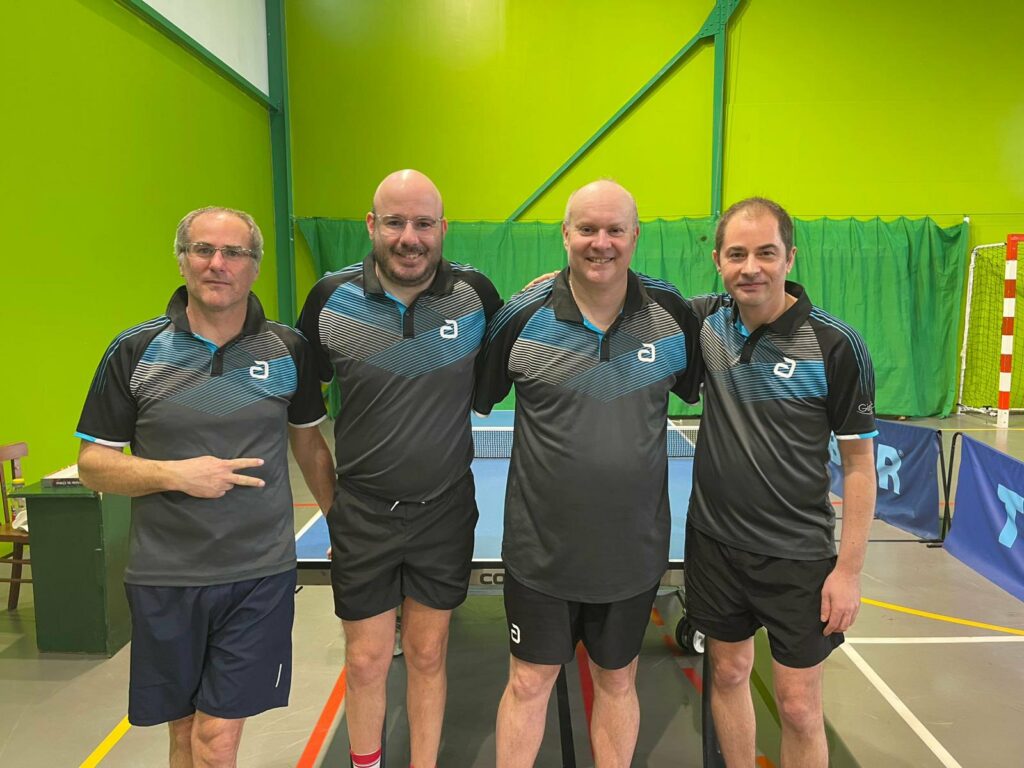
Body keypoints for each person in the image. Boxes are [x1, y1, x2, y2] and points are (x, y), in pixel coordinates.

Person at [76, 206, 335, 768]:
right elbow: (93, 464)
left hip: (258, 574)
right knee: (184, 733)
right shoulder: (134, 351)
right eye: (203, 250)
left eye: (234, 253)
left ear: (254, 266)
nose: (218, 264)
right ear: (182, 260)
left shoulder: (288, 348)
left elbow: (310, 444)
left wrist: (341, 522)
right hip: (165, 576)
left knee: (216, 739)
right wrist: (176, 474)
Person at [473, 179, 702, 767]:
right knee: (528, 682)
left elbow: (703, 373)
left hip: (632, 552)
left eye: (615, 230)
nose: (601, 243)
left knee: (619, 680)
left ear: (635, 235)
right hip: (541, 553)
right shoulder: (521, 316)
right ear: (565, 234)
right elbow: (476, 393)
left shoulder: (671, 313)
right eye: (587, 229)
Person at [296, 169, 502, 768]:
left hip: (445, 508)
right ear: (371, 225)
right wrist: (336, 512)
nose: (409, 237)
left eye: (422, 223)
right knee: (365, 660)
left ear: (442, 228)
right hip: (363, 512)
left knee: (428, 653)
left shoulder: (476, 294)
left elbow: (518, 336)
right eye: (394, 222)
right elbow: (304, 424)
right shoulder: (330, 298)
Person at [686, 197, 877, 767]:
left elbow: (859, 467)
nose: (752, 268)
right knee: (728, 672)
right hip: (715, 543)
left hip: (796, 555)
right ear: (718, 260)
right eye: (737, 254)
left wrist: (848, 572)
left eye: (766, 253)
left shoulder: (835, 345)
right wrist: (557, 282)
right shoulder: (705, 322)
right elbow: (629, 297)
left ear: (789, 258)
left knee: (797, 706)